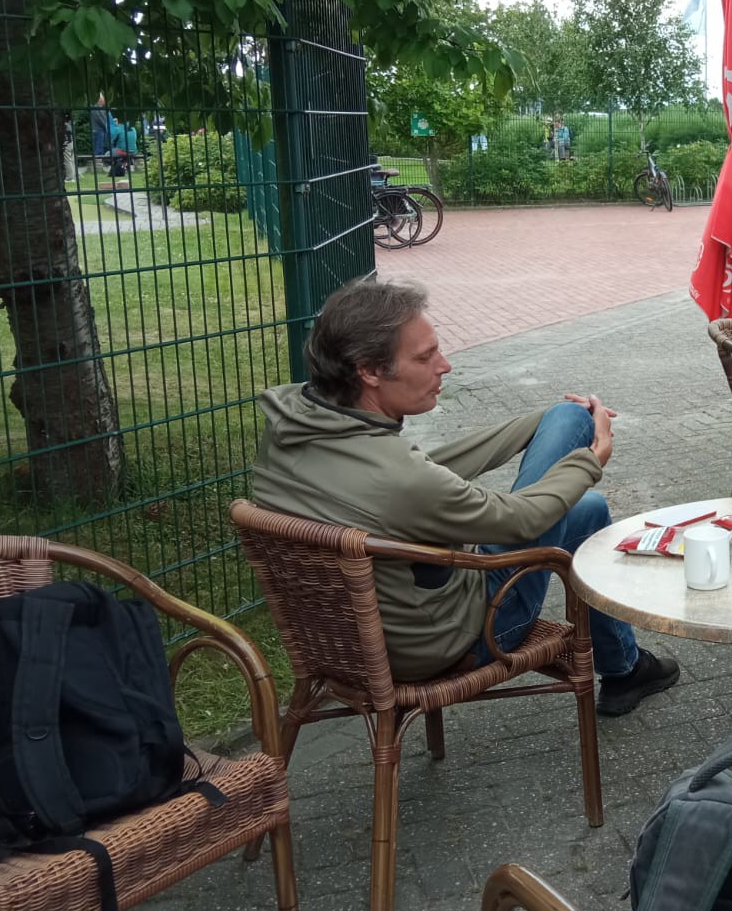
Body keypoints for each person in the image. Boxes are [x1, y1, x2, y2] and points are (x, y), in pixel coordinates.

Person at [251, 278, 681, 716]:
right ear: (369, 370)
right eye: (425, 356)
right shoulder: (401, 480)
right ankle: (624, 670)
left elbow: (423, 473)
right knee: (581, 503)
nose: (446, 366)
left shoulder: (294, 429)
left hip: (341, 643)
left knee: (582, 497)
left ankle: (624, 673)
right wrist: (592, 456)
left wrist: (548, 423)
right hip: (456, 641)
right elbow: (524, 519)